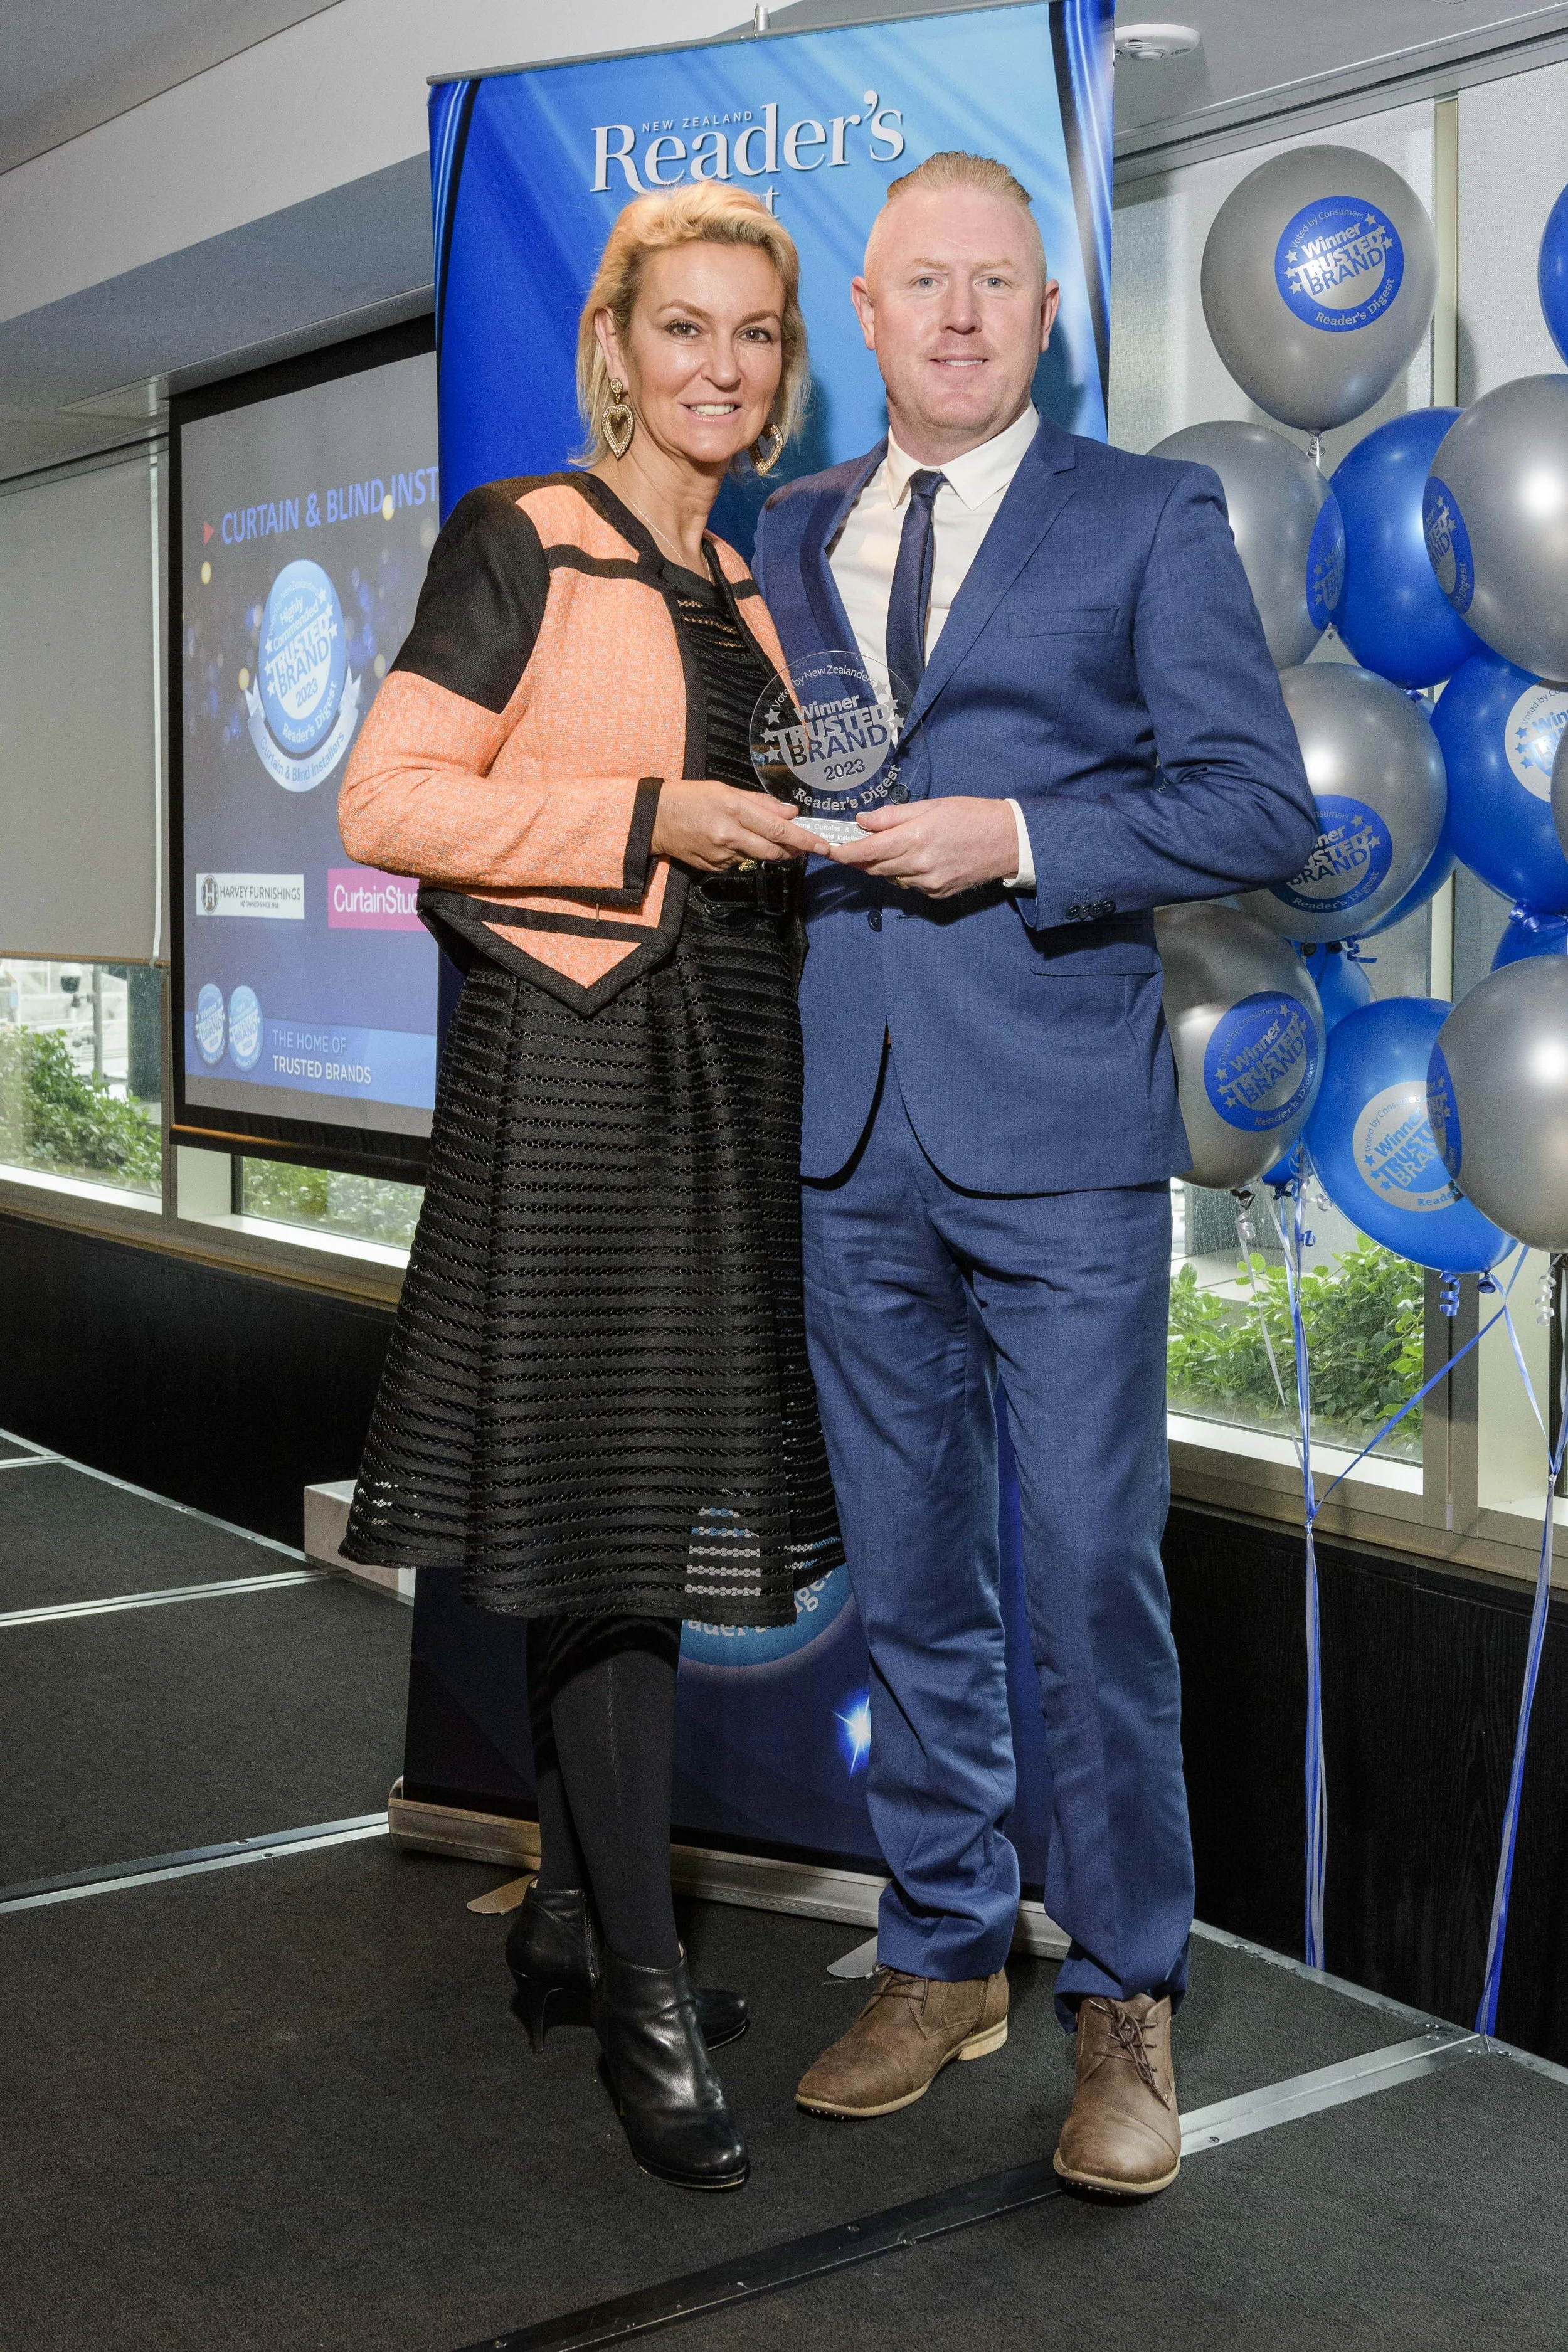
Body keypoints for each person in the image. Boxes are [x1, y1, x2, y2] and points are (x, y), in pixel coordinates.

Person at [751, 152, 1318, 2196]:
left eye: (996, 282)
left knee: (1085, 1577)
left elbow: (1254, 806)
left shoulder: (1141, 514)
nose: (960, 315)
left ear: (1046, 315)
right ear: (868, 311)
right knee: (909, 1576)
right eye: (924, 283)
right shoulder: (787, 529)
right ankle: (939, 1950)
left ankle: (1122, 1994)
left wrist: (1017, 837)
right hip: (849, 1127)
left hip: (1062, 1136)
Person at [336, 183, 841, 2194]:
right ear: (614, 346)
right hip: (572, 1078)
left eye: (754, 334)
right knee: (620, 1523)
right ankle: (640, 1985)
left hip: (719, 1068)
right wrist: (650, 812)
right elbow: (385, 802)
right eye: (684, 326)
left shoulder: (747, 581)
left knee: (619, 1507)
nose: (720, 365)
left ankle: (563, 1916)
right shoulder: (523, 536)